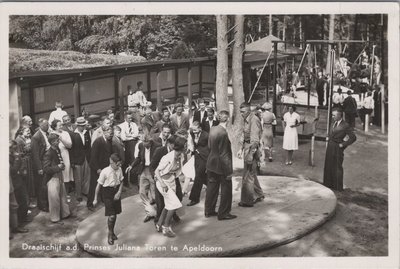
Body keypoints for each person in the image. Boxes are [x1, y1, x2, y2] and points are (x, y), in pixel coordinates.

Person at [204, 110, 237, 221]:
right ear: (227, 119)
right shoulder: (223, 133)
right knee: (226, 188)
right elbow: (224, 154)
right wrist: (228, 171)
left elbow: (209, 146)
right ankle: (224, 213)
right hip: (221, 165)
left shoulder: (213, 129)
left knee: (212, 187)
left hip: (211, 162)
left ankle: (209, 210)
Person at [154, 136, 187, 237]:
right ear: (181, 146)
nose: (187, 146)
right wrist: (163, 183)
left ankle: (159, 224)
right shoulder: (167, 157)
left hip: (172, 181)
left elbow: (178, 171)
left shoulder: (182, 156)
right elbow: (156, 171)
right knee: (175, 204)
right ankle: (166, 227)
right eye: (185, 145)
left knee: (168, 204)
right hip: (162, 182)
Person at [237, 102, 264, 207]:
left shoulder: (254, 120)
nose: (241, 114)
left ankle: (247, 201)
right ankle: (259, 194)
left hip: (253, 149)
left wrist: (250, 154)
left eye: (243, 112)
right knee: (250, 172)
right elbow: (243, 134)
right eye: (240, 112)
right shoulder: (246, 119)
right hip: (247, 147)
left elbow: (255, 141)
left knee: (248, 175)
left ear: (248, 111)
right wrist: (240, 148)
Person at [93, 153, 124, 245]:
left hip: (116, 191)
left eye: (120, 164)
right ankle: (110, 235)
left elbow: (122, 181)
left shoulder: (119, 169)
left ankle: (112, 231)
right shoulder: (105, 172)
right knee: (112, 215)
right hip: (107, 193)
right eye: (118, 164)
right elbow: (98, 186)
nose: (120, 166)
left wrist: (119, 192)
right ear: (112, 163)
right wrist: (95, 199)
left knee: (115, 214)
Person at [323, 108, 357, 191]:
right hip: (330, 147)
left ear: (339, 115)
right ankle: (328, 184)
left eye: (334, 115)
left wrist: (343, 144)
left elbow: (353, 137)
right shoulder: (333, 123)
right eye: (332, 115)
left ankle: (338, 187)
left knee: (337, 167)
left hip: (337, 148)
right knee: (328, 165)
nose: (332, 116)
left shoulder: (345, 125)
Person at [127, 135, 158, 222]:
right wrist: (131, 166)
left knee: (154, 195)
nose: (144, 145)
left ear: (150, 141)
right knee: (142, 192)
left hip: (153, 171)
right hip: (144, 170)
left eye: (146, 143)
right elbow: (139, 158)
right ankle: (150, 212)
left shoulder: (157, 146)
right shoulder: (141, 145)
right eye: (143, 142)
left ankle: (159, 213)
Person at [43, 133, 71, 223]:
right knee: (54, 198)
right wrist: (58, 167)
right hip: (52, 178)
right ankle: (55, 218)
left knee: (62, 195)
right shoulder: (48, 153)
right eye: (56, 140)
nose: (58, 141)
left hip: (59, 175)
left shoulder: (57, 149)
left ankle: (64, 214)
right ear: (51, 142)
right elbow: (46, 169)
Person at [88, 126, 114, 210]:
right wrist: (97, 169)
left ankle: (104, 200)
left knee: (105, 185)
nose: (111, 135)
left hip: (105, 167)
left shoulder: (109, 140)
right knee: (94, 186)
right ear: (104, 132)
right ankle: (90, 204)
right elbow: (93, 157)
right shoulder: (98, 142)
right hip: (97, 167)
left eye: (112, 134)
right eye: (110, 134)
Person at [187, 121, 209, 206]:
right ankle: (213, 185)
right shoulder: (192, 133)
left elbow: (210, 147)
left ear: (200, 128)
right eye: (193, 130)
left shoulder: (206, 135)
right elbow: (192, 144)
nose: (194, 132)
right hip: (197, 157)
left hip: (205, 157)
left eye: (196, 130)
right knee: (201, 175)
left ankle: (194, 198)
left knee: (198, 176)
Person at [31, 118, 50, 212]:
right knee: (42, 185)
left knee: (46, 184)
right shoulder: (36, 137)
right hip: (41, 163)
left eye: (48, 125)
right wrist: (39, 168)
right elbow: (35, 154)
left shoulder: (46, 133)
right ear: (41, 126)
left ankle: (46, 202)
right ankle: (42, 205)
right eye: (46, 125)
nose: (48, 126)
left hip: (47, 161)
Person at [51, 120, 74, 193]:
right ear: (55, 127)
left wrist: (61, 139)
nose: (61, 127)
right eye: (59, 125)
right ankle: (59, 192)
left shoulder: (65, 133)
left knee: (66, 172)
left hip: (65, 154)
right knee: (58, 173)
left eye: (61, 125)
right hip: (55, 154)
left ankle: (66, 192)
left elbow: (70, 145)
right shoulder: (51, 134)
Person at [71, 117, 91, 202]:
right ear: (77, 126)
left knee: (87, 175)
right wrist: (72, 161)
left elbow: (89, 146)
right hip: (77, 159)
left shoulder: (87, 133)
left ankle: (86, 191)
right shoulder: (73, 134)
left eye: (84, 125)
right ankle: (78, 194)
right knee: (78, 178)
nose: (83, 127)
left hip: (86, 157)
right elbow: (71, 149)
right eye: (81, 126)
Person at [9, 140, 29, 225]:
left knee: (23, 200)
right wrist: (17, 158)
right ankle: (19, 221)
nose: (15, 149)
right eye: (13, 147)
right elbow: (13, 170)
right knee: (19, 201)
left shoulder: (13, 155)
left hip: (19, 180)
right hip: (14, 182)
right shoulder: (9, 157)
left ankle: (23, 218)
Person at [15, 126, 36, 207]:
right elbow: (19, 153)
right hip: (24, 163)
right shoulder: (19, 140)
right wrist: (29, 147)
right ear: (21, 131)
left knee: (30, 182)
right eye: (27, 131)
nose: (29, 132)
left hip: (29, 162)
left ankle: (29, 201)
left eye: (29, 131)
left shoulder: (27, 138)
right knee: (26, 182)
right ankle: (26, 203)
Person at [118, 113, 139, 187]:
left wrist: (129, 135)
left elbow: (136, 134)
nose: (130, 119)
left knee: (134, 161)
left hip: (133, 144)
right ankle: (125, 182)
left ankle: (134, 180)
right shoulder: (121, 126)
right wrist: (132, 136)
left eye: (131, 118)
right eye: (129, 118)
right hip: (126, 145)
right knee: (125, 163)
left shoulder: (134, 125)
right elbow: (123, 138)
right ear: (125, 118)